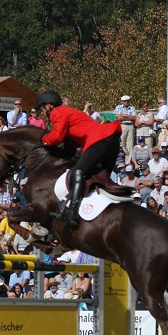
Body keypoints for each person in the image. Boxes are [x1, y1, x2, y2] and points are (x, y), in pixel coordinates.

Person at [38, 90, 123, 230]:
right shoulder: (69, 112)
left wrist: (43, 139)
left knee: (78, 172)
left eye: (41, 108)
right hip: (111, 140)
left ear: (48, 105)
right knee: (99, 179)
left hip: (100, 140)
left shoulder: (57, 112)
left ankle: (72, 213)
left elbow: (56, 136)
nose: (42, 112)